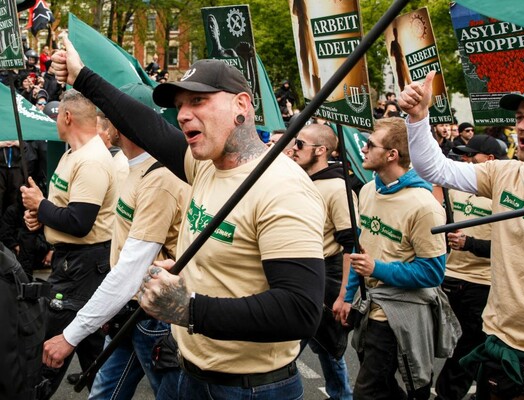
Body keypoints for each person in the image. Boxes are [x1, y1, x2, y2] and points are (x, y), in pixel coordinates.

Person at [52, 36, 326, 400]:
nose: (182, 114)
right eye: (180, 105)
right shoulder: (205, 167)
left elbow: (300, 309)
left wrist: (190, 309)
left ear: (241, 106)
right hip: (187, 373)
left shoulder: (282, 187)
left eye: (198, 101)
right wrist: (81, 76)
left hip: (250, 390)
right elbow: (146, 125)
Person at [399, 71, 524, 399]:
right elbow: (434, 169)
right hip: (500, 346)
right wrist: (419, 117)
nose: (522, 125)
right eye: (520, 117)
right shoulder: (505, 172)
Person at [42, 83, 189, 400]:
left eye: (106, 116)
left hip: (152, 318)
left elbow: (131, 268)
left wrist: (70, 335)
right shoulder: (128, 164)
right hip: (130, 310)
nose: (99, 123)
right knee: (102, 395)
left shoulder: (160, 179)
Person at [340, 117, 458, 400]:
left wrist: (377, 268)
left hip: (399, 314)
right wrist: (347, 296)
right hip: (369, 307)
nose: (363, 149)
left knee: (369, 393)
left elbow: (432, 273)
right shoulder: (368, 190)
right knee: (386, 389)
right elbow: (362, 249)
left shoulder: (424, 205)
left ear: (392, 154)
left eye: (370, 144)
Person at [20, 89, 118, 398]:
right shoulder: (72, 153)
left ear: (67, 117)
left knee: (49, 353)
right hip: (74, 263)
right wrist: (41, 215)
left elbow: (79, 222)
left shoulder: (91, 160)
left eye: (56, 116)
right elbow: (65, 208)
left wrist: (41, 205)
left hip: (83, 266)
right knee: (92, 357)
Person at [434, 135, 505, 400]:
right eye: (463, 154)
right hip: (447, 278)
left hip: (482, 284)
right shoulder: (456, 188)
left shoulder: (503, 197)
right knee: (442, 344)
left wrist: (470, 243)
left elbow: (510, 249)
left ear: (490, 160)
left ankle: (447, 395)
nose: (464, 160)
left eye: (470, 155)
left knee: (468, 348)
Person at [292, 124, 355, 400]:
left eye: (300, 144)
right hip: (297, 275)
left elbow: (352, 245)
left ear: (320, 151)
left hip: (324, 280)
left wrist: (344, 294)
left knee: (321, 349)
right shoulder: (299, 179)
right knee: (322, 350)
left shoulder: (338, 188)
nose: (294, 148)